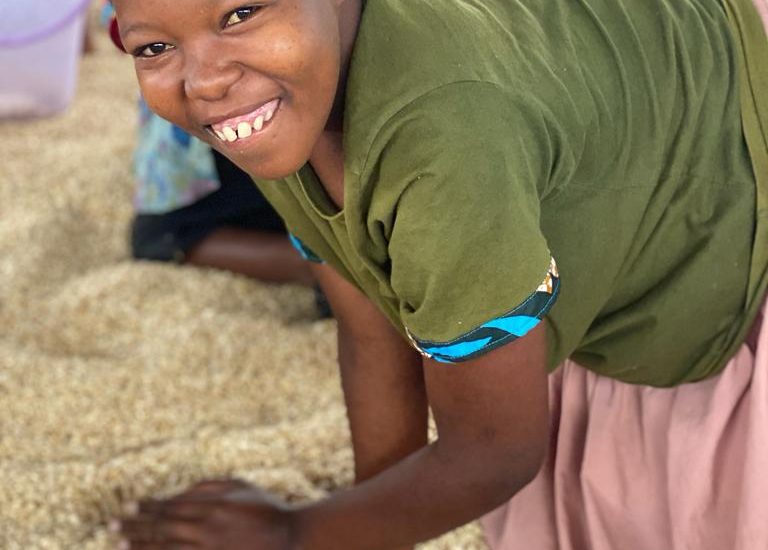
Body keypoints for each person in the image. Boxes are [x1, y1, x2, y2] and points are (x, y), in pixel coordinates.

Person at [109, 0, 768, 548]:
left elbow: (496, 450)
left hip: (733, 124)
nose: (204, 80)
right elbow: (370, 324)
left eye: (241, 12)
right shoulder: (272, 103)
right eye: (152, 48)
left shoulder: (441, 147)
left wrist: (295, 533)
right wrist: (364, 525)